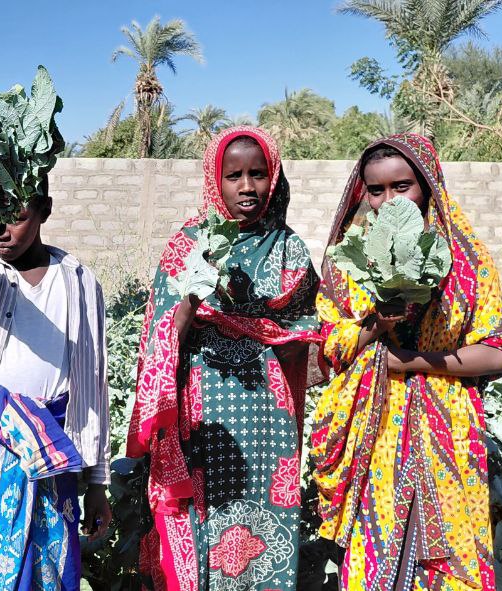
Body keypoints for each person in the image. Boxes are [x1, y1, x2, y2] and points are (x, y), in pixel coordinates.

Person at [310, 134, 502, 591]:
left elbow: (499, 350)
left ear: (427, 184)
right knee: (377, 546)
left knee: (448, 542)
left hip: (446, 421)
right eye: (376, 190)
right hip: (372, 425)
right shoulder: (350, 259)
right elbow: (328, 344)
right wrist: (375, 326)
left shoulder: (466, 260)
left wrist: (412, 362)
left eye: (402, 187)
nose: (388, 201)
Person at [128, 126, 323, 591]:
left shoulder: (288, 248)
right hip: (201, 410)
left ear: (273, 178)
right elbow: (162, 332)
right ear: (216, 180)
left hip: (266, 419)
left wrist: (266, 333)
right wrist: (195, 300)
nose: (248, 187)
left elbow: (307, 336)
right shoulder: (188, 244)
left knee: (263, 519)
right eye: (234, 175)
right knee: (202, 519)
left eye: (258, 174)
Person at [0, 174, 112, 590]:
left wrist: (96, 482)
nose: (3, 228)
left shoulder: (78, 282)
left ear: (44, 211)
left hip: (54, 445)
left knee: (49, 571)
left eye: (15, 215)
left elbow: (93, 384)